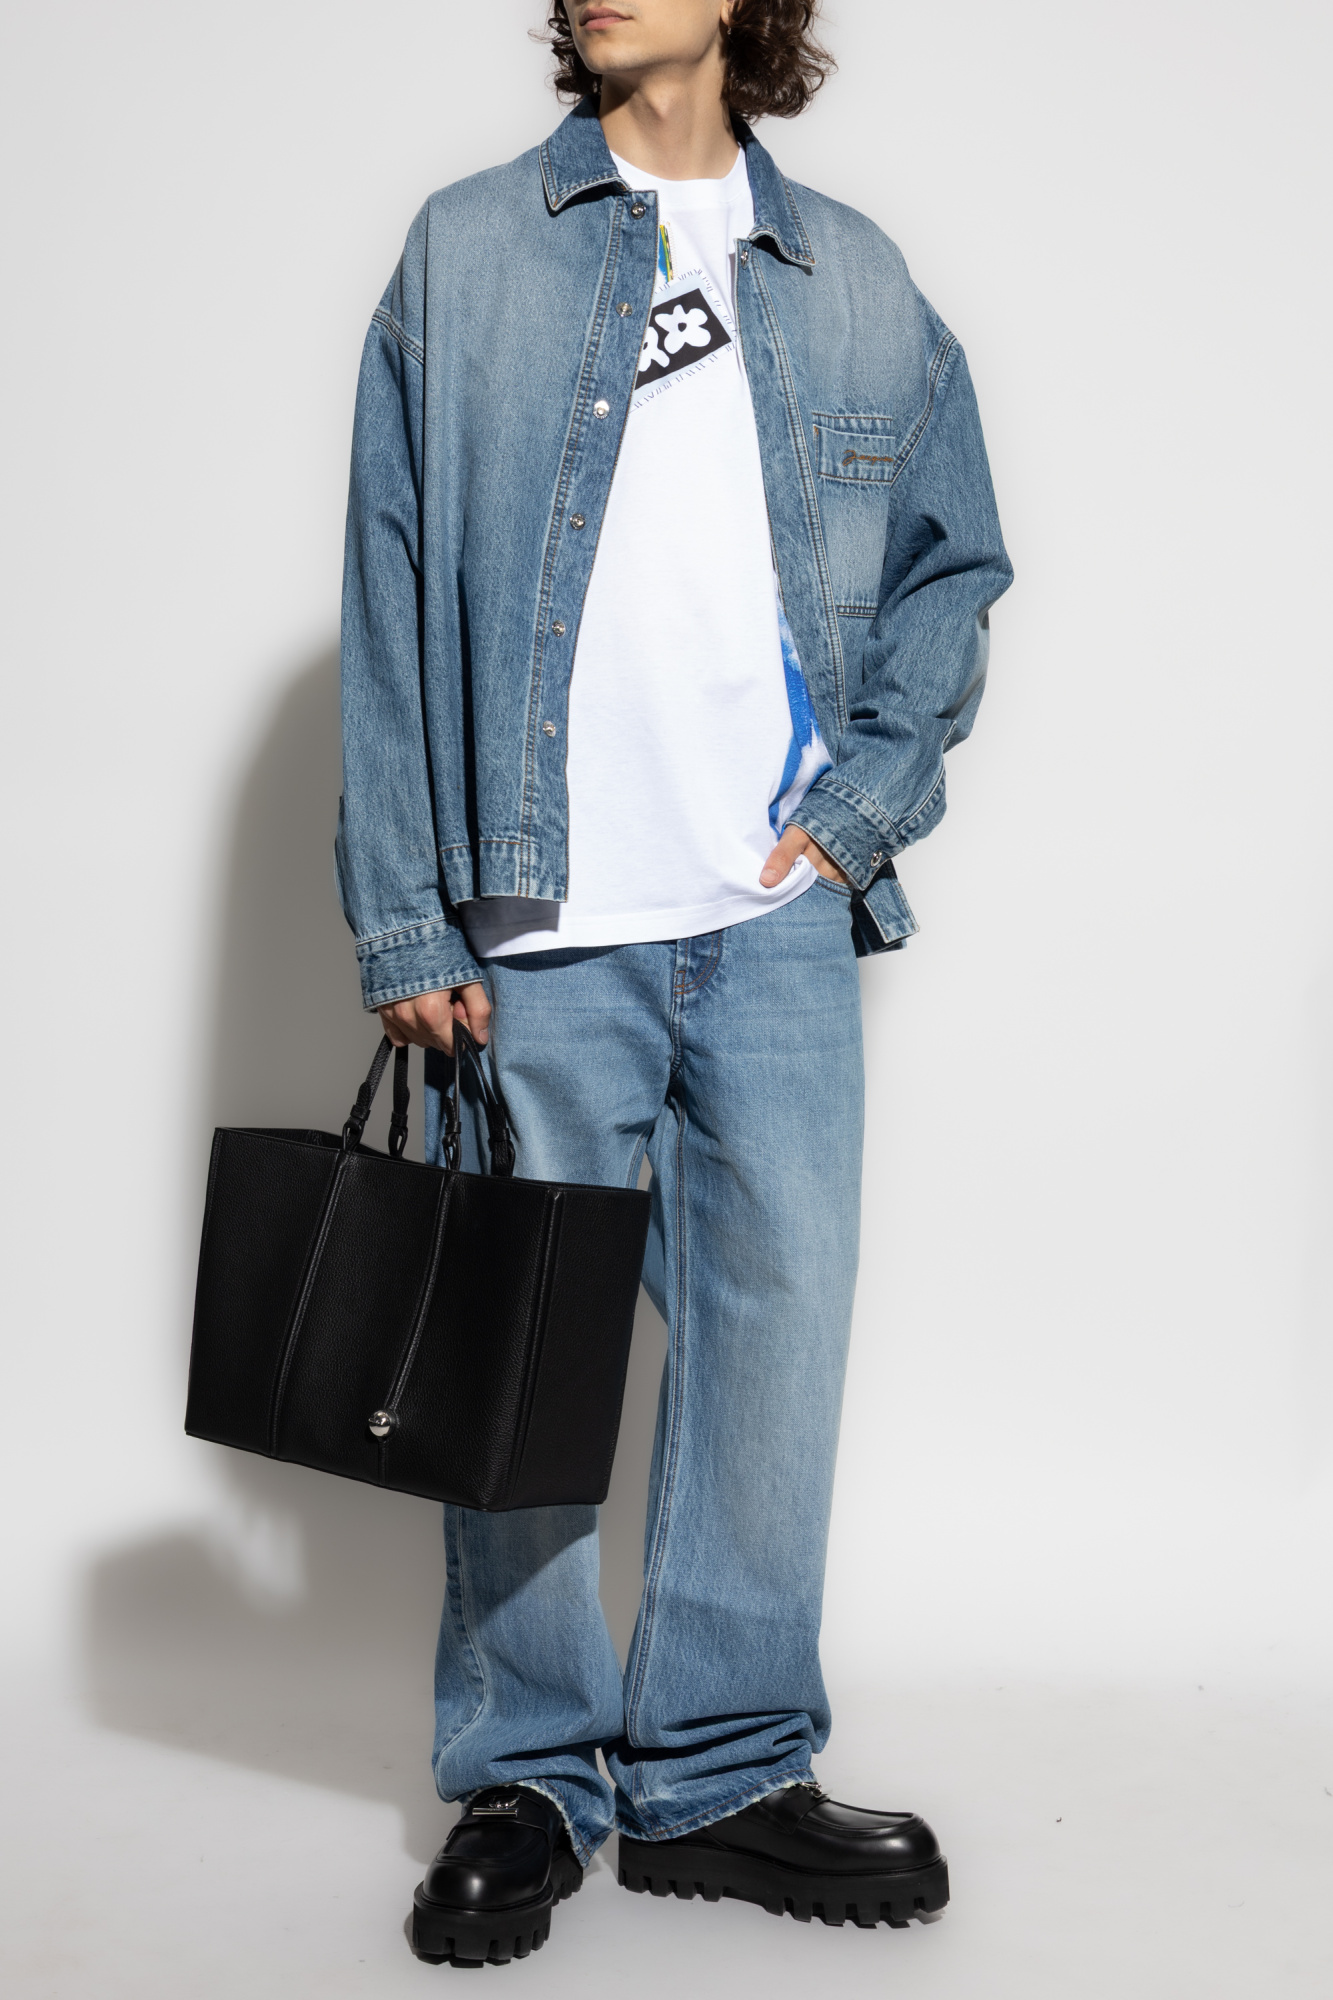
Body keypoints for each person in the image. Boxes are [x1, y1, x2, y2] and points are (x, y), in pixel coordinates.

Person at [336, 0, 1011, 1967]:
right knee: (528, 1361)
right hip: (542, 912)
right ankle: (527, 1777)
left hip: (770, 915)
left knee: (771, 1356)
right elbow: (387, 580)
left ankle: (718, 1774)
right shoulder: (468, 250)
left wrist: (863, 806)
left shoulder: (855, 276)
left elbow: (957, 563)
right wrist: (406, 918)